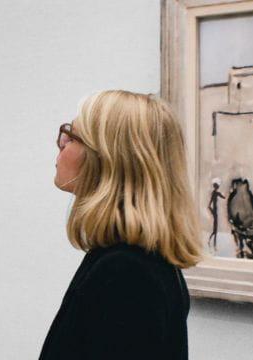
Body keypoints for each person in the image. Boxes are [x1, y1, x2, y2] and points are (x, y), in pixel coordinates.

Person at [41, 90, 203, 359]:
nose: (61, 142)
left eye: (72, 136)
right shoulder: (129, 259)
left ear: (107, 160)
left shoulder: (126, 272)